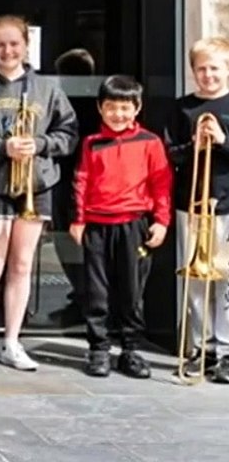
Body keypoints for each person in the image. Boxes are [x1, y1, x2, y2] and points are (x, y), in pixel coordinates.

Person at [0, 15, 78, 373]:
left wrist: (39, 143)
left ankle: (12, 341)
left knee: (22, 265)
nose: (8, 50)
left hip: (34, 186)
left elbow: (68, 135)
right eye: (0, 44)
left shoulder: (48, 88)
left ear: (26, 45)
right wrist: (1, 147)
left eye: (14, 43)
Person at [72, 75, 170, 378]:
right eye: (111, 107)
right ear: (100, 109)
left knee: (131, 290)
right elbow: (81, 182)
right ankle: (99, 349)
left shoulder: (150, 142)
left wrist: (162, 221)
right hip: (98, 225)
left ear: (137, 108)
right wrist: (78, 219)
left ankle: (130, 350)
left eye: (125, 108)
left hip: (134, 224)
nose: (118, 114)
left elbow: (161, 183)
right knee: (96, 291)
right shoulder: (91, 143)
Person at [163, 36, 229, 382]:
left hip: (227, 203)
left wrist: (222, 141)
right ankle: (202, 347)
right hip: (192, 203)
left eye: (215, 68)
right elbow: (170, 154)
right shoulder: (182, 108)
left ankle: (227, 348)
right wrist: (193, 144)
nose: (208, 75)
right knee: (198, 280)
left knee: (227, 280)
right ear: (192, 71)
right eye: (201, 69)